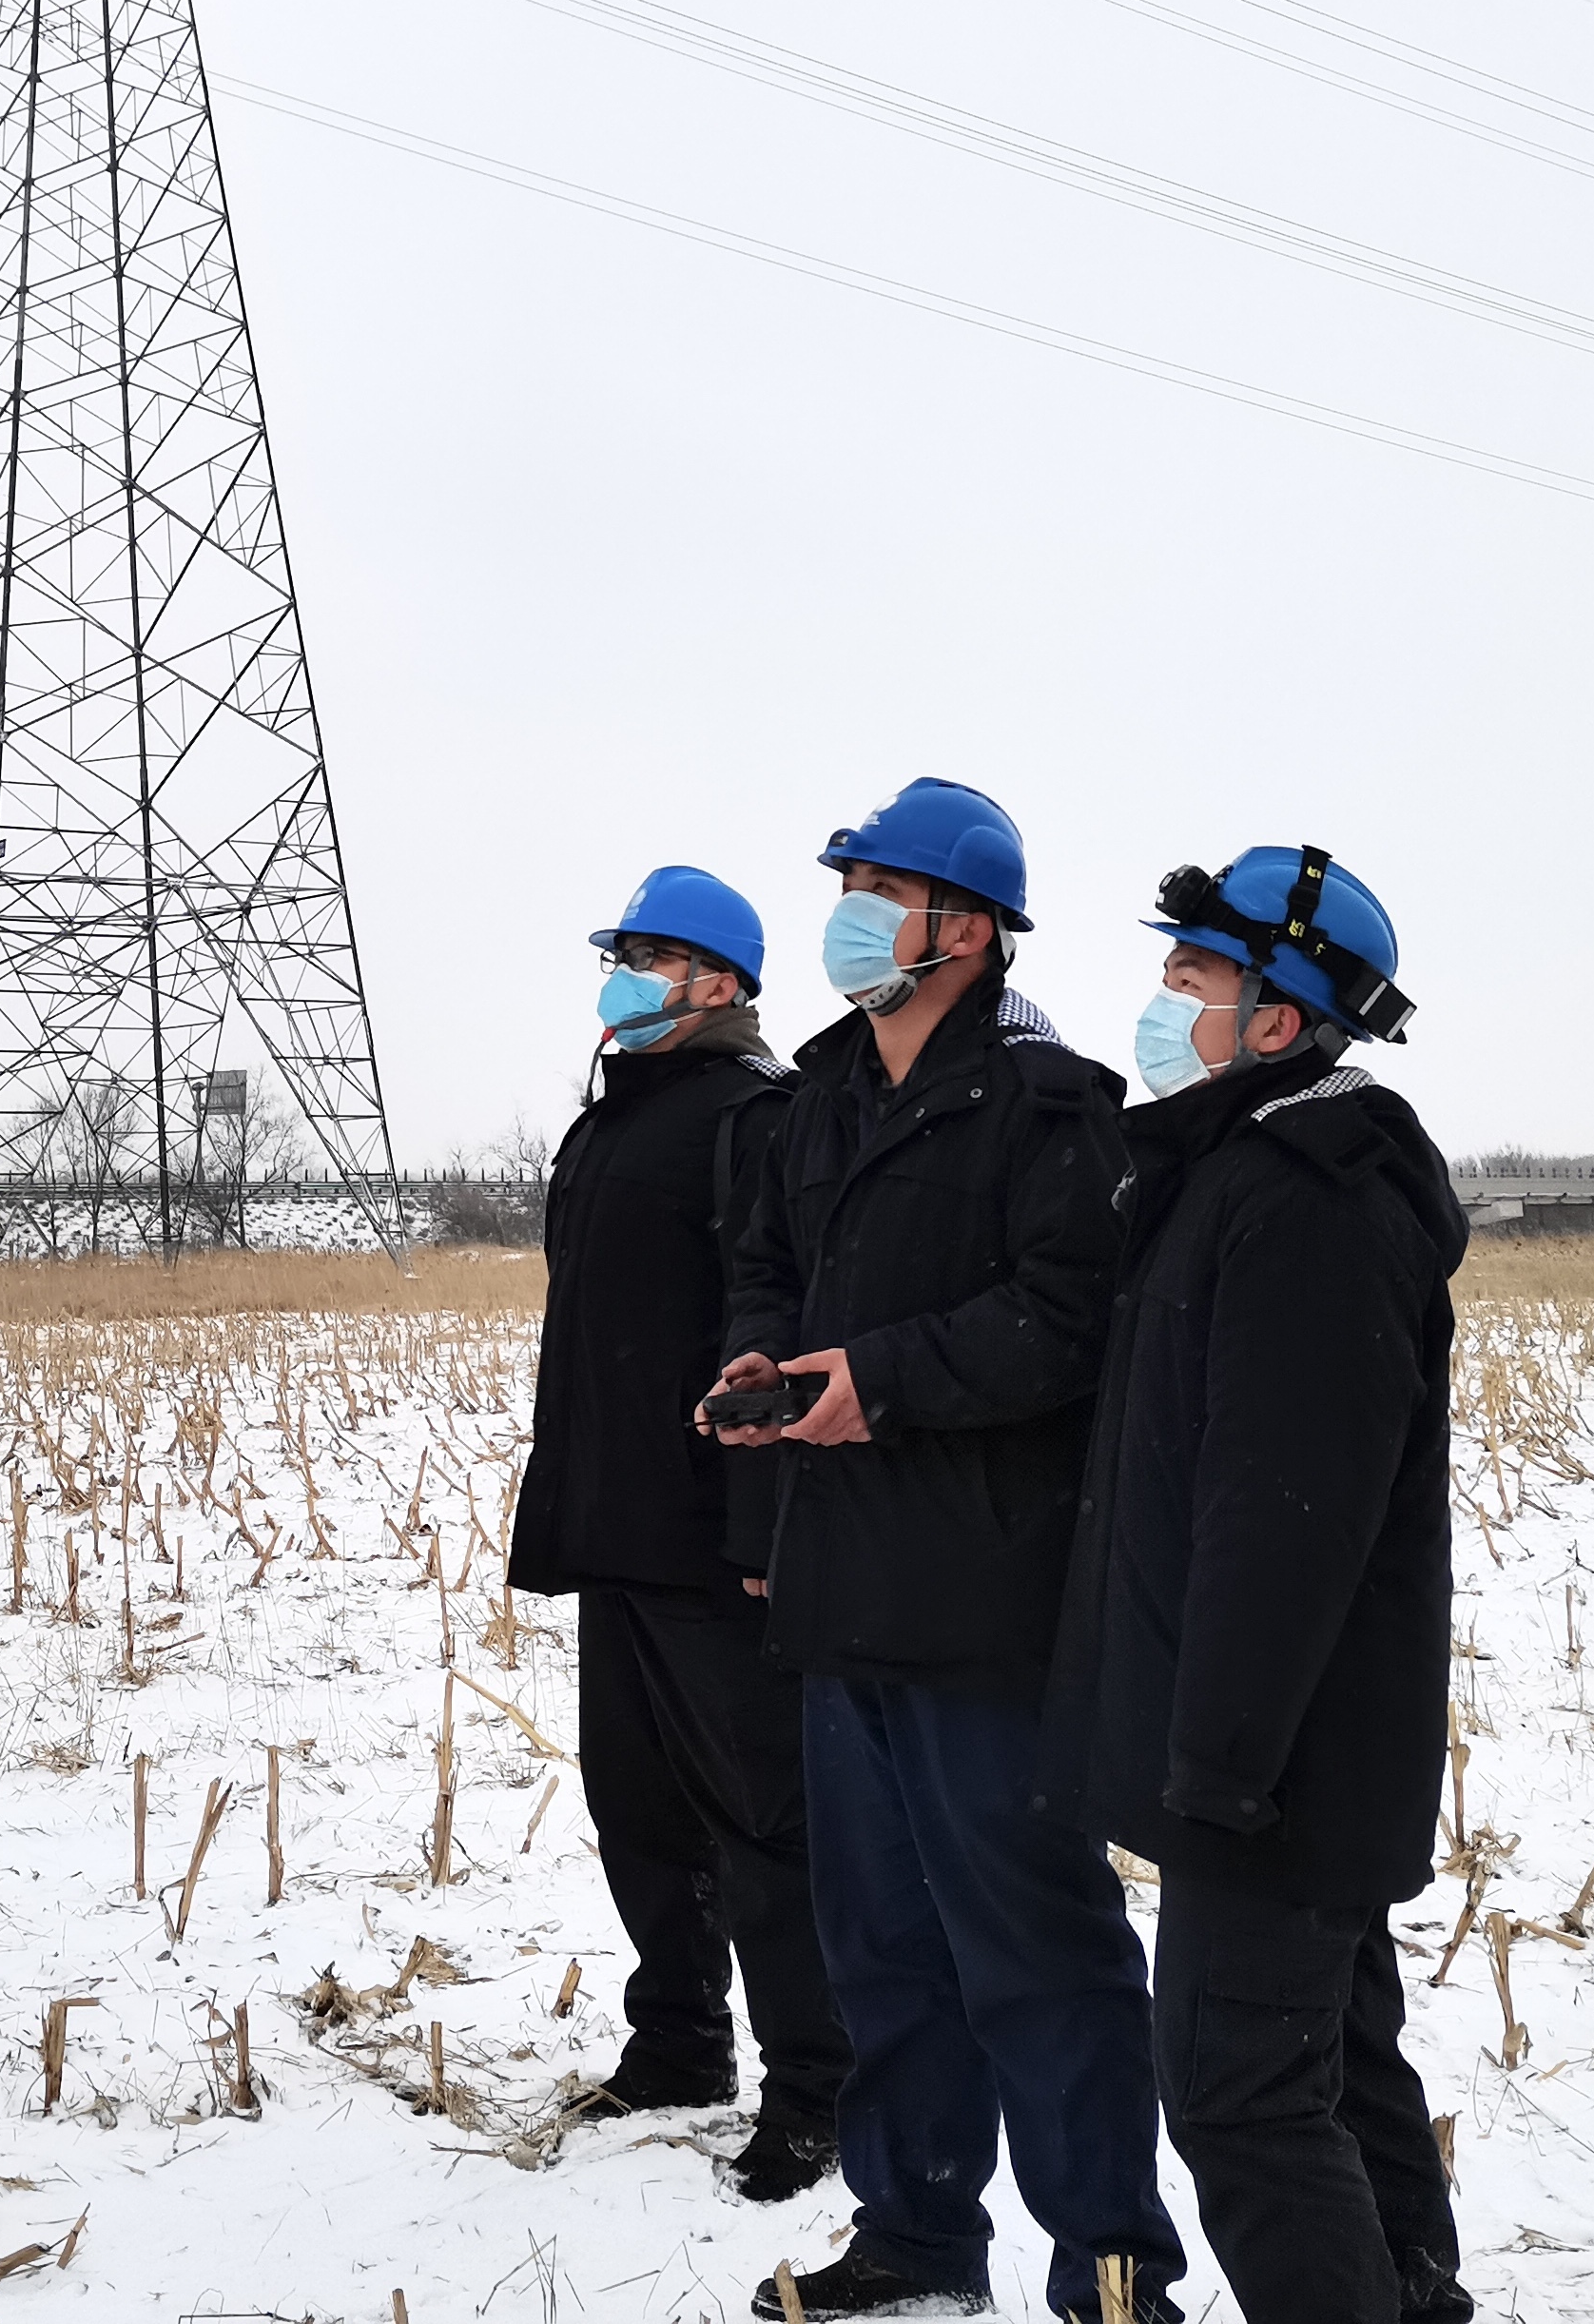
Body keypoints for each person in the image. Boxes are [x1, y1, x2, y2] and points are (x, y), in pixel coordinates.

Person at [711, 779, 1184, 2324]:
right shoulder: (819, 1096)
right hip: (840, 1591)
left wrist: (883, 1381)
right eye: (844, 884)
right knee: (882, 1949)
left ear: (965, 929)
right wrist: (763, 1362)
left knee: (1037, 1952)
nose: (847, 912)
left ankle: (1112, 2271)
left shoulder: (1053, 1108)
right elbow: (767, 1267)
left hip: (986, 1603)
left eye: (877, 889)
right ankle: (916, 2239)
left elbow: (1068, 1319)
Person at [1042, 847, 1468, 2324]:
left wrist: (1223, 1769)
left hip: (1278, 1771)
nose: (1162, 1001)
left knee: (1244, 2099)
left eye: (1194, 977)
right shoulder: (1239, 1176)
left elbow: (1288, 1519)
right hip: (1288, 1755)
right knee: (1329, 2067)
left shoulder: (1311, 1202)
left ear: (1276, 1019)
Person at [507, 866, 847, 2201]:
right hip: (617, 1527)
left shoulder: (758, 1117)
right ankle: (678, 2042)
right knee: (637, 1809)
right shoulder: (613, 1116)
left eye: (649, 956)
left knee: (762, 1821)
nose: (624, 977)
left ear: (718, 981)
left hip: (714, 1541)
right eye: (623, 953)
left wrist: (763, 1529)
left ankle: (817, 2085)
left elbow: (775, 1328)